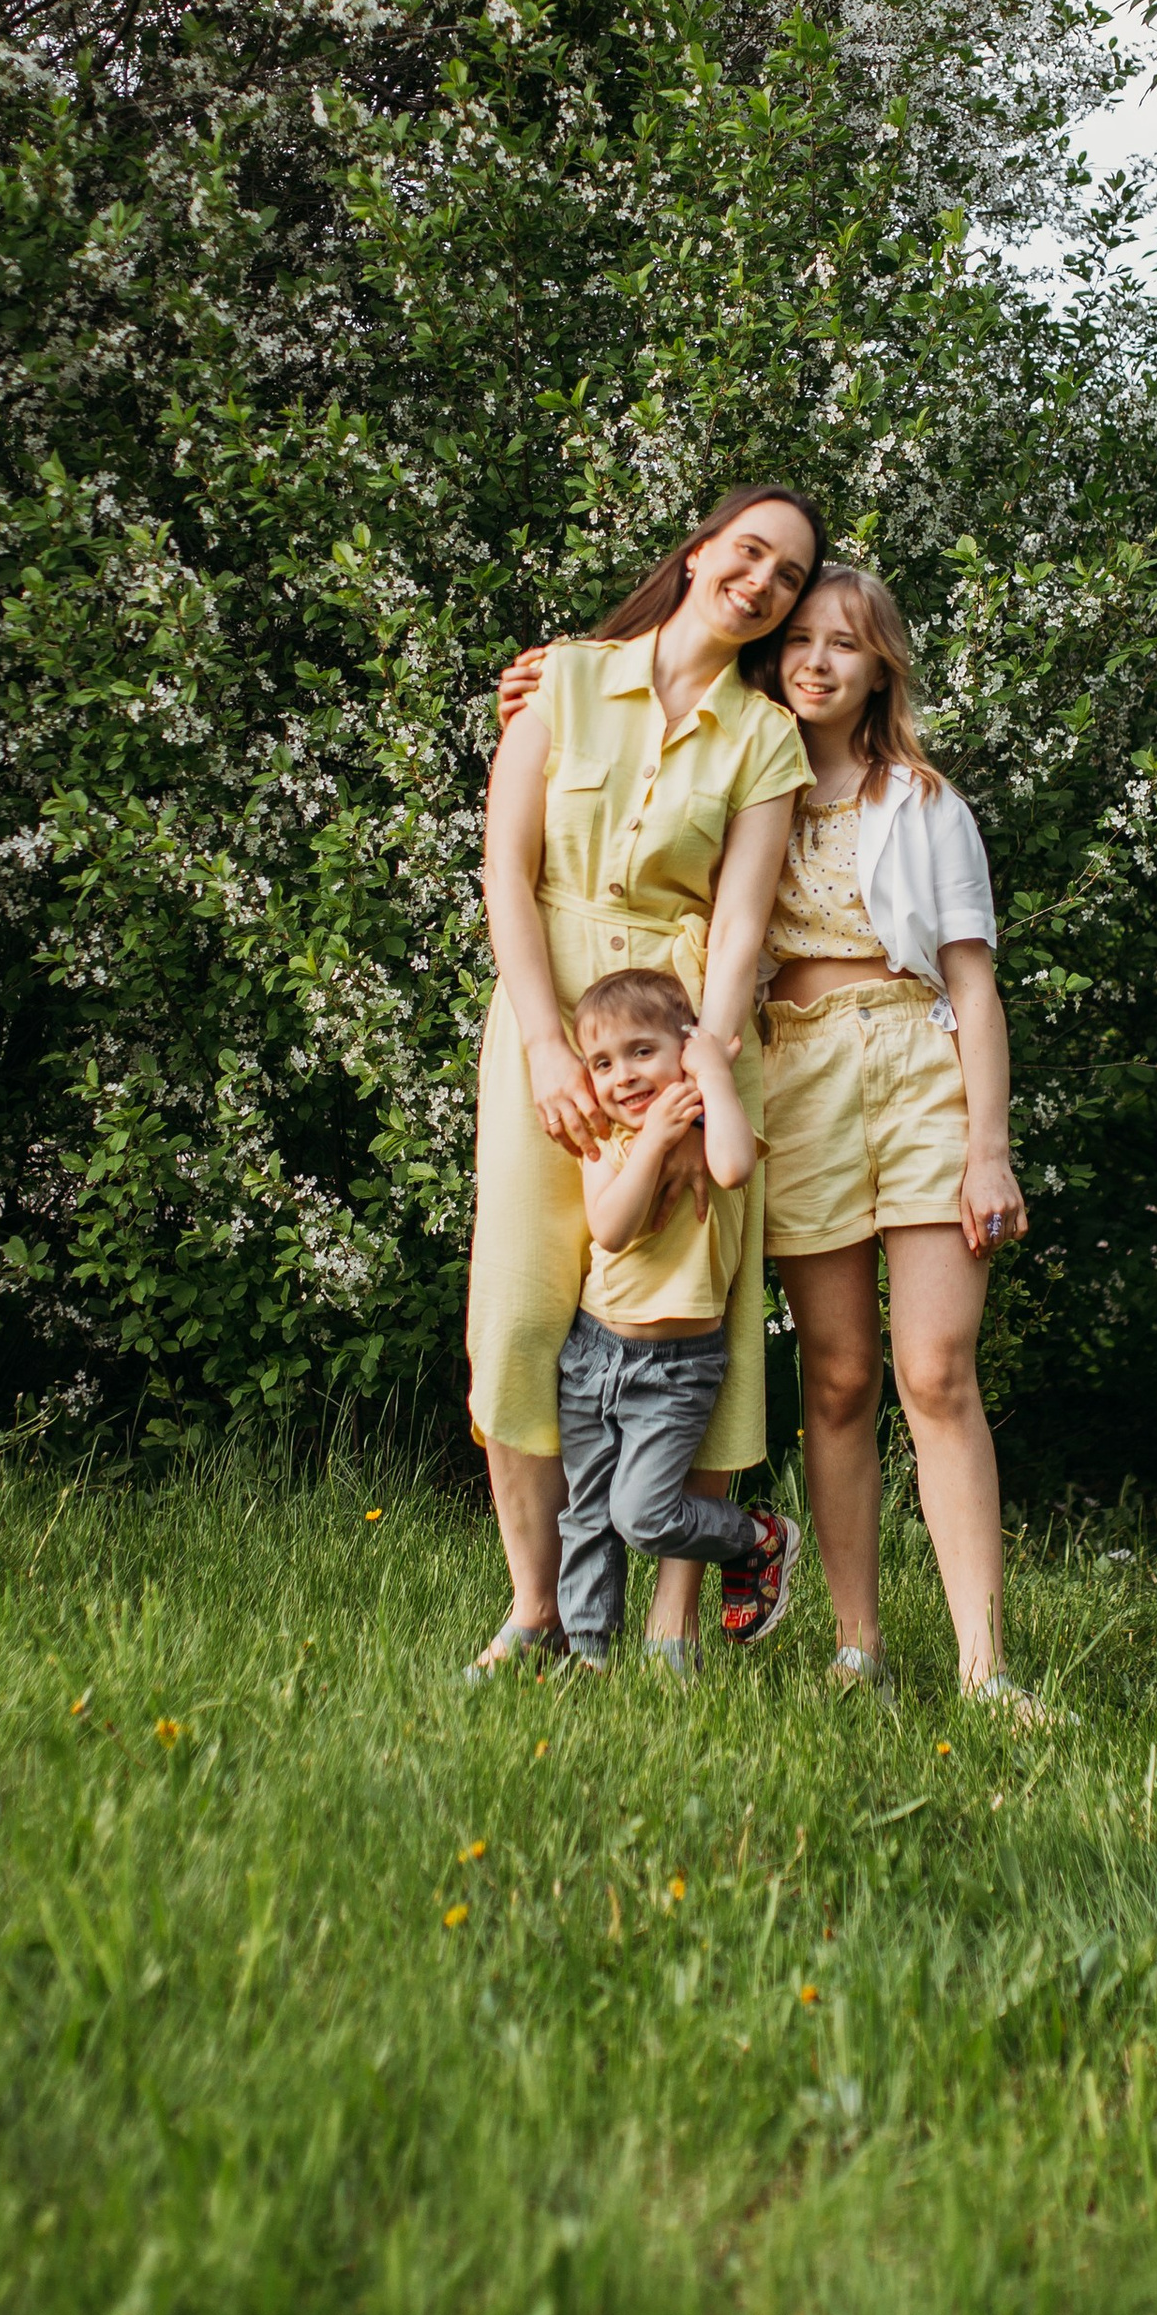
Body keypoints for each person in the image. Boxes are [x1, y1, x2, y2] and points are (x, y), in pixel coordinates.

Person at [463, 486, 820, 1683]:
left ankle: (670, 1624)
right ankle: (537, 1612)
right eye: (750, 552)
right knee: (519, 1316)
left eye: (786, 575)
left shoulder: (762, 737)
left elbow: (739, 923)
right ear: (699, 550)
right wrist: (545, 1045)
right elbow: (506, 874)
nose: (762, 581)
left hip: (690, 1043)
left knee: (688, 1316)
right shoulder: (562, 682)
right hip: (547, 1021)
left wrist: (697, 1082)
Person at [753, 568, 1040, 1712]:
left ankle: (984, 1668)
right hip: (796, 1077)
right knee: (836, 1378)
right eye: (800, 641)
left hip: (918, 1069)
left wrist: (989, 1145)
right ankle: (857, 1644)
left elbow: (972, 984)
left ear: (881, 668)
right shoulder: (743, 787)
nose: (818, 660)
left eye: (845, 645)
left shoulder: (925, 802)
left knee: (934, 1371)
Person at [554, 969, 806, 1665]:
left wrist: (709, 1082)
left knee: (643, 1516)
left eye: (643, 1052)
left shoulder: (711, 1129)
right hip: (593, 1351)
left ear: (684, 1051)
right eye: (603, 1062)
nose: (623, 1076)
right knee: (585, 1514)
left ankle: (755, 1538)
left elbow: (732, 1167)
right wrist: (653, 1145)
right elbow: (610, 1228)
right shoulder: (603, 1141)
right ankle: (587, 1651)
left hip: (675, 1371)